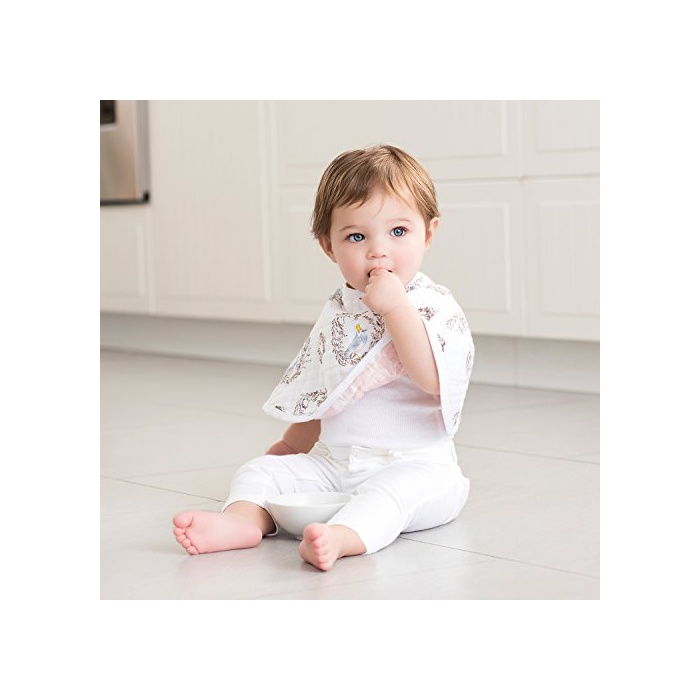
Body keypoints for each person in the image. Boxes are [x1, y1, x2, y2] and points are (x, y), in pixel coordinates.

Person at [173, 144, 474, 571]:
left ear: (428, 233)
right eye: (356, 237)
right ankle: (243, 521)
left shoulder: (432, 305)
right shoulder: (340, 313)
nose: (378, 251)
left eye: (398, 231)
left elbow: (433, 378)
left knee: (393, 495)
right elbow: (328, 389)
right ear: (329, 247)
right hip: (334, 465)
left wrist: (395, 308)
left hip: (416, 466)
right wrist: (289, 447)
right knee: (261, 470)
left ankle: (344, 537)